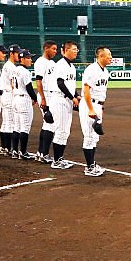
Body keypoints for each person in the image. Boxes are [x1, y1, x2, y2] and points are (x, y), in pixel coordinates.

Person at [80, 46, 113, 177]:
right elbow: (86, 90)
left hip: (97, 105)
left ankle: (92, 164)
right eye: (108, 55)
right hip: (90, 105)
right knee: (89, 136)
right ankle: (89, 168)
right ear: (100, 56)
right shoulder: (91, 70)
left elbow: (101, 92)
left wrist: (101, 108)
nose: (111, 57)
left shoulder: (105, 71)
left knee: (94, 137)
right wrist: (90, 109)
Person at [47, 40, 80, 170]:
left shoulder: (71, 66)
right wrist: (72, 98)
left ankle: (59, 158)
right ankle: (56, 161)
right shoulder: (61, 65)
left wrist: (76, 95)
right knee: (61, 130)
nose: (76, 52)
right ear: (66, 50)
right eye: (74, 49)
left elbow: (70, 84)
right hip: (60, 99)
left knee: (65, 131)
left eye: (77, 49)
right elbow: (60, 83)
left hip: (66, 99)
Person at [33, 40, 59, 163]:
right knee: (51, 124)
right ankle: (44, 154)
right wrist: (43, 98)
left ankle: (40, 152)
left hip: (52, 95)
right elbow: (38, 81)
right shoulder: (40, 62)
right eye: (53, 49)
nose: (55, 51)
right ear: (46, 48)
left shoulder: (53, 63)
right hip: (46, 95)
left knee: (47, 124)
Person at [13, 49, 38, 159]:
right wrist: (35, 98)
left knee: (17, 127)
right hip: (23, 100)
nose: (30, 60)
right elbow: (29, 88)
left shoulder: (15, 70)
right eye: (28, 58)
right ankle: (22, 152)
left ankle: (14, 151)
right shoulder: (25, 72)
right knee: (25, 128)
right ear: (22, 59)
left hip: (15, 98)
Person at [0, 45, 22, 156]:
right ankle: (8, 148)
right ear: (12, 54)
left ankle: (4, 148)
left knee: (5, 123)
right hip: (9, 95)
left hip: (5, 95)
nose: (19, 55)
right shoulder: (11, 67)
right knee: (10, 124)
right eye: (17, 53)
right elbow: (13, 84)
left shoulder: (8, 65)